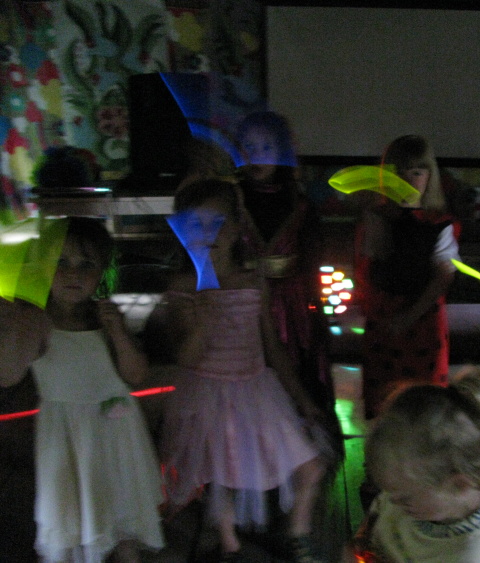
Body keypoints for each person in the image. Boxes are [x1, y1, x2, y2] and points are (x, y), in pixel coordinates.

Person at [158, 178, 328, 562]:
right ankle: (229, 544)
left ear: (236, 228)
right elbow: (187, 357)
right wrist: (201, 323)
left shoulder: (253, 281)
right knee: (223, 477)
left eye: (217, 222)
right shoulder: (183, 286)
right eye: (196, 224)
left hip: (256, 390)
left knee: (311, 464)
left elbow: (272, 347)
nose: (208, 234)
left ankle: (297, 532)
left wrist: (302, 399)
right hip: (210, 395)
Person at [0, 216, 165, 563]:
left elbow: (136, 374)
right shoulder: (36, 319)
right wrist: (11, 325)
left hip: (118, 433)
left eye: (86, 264)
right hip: (67, 435)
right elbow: (8, 374)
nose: (72, 274)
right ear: (43, 266)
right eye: (61, 262)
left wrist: (117, 331)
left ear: (101, 271)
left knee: (124, 514)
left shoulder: (104, 317)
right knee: (76, 520)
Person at [234, 111, 339, 448]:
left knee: (292, 374)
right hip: (243, 303)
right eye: (250, 147)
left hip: (291, 310)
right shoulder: (231, 201)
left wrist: (315, 315)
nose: (258, 156)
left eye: (266, 147)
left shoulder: (300, 205)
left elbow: (311, 263)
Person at [345, 370, 480, 563]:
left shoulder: (474, 556)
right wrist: (362, 536)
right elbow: (379, 509)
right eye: (388, 492)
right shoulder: (408, 489)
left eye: (405, 499)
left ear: (460, 484)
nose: (393, 501)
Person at [355, 134, 460, 419]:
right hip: (384, 314)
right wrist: (376, 222)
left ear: (430, 176)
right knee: (384, 394)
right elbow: (370, 267)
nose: (407, 180)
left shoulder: (438, 223)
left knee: (422, 396)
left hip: (422, 319)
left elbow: (443, 277)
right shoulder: (379, 217)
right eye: (399, 173)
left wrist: (410, 315)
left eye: (416, 172)